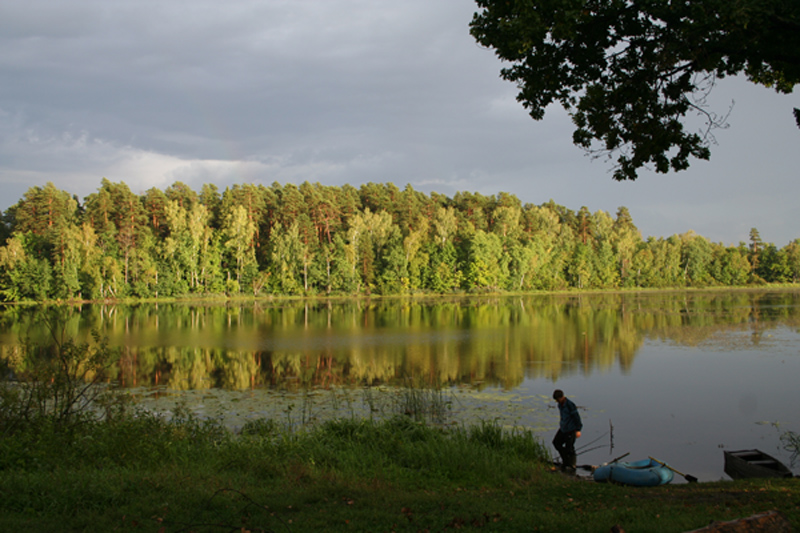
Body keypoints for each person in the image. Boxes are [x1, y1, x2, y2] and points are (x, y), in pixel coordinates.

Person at [552, 389, 582, 472]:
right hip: (563, 429)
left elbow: (576, 417)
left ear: (562, 397)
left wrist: (578, 429)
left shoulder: (570, 405)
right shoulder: (560, 405)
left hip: (571, 429)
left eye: (558, 399)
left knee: (570, 448)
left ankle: (572, 465)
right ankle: (566, 462)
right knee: (556, 443)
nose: (557, 401)